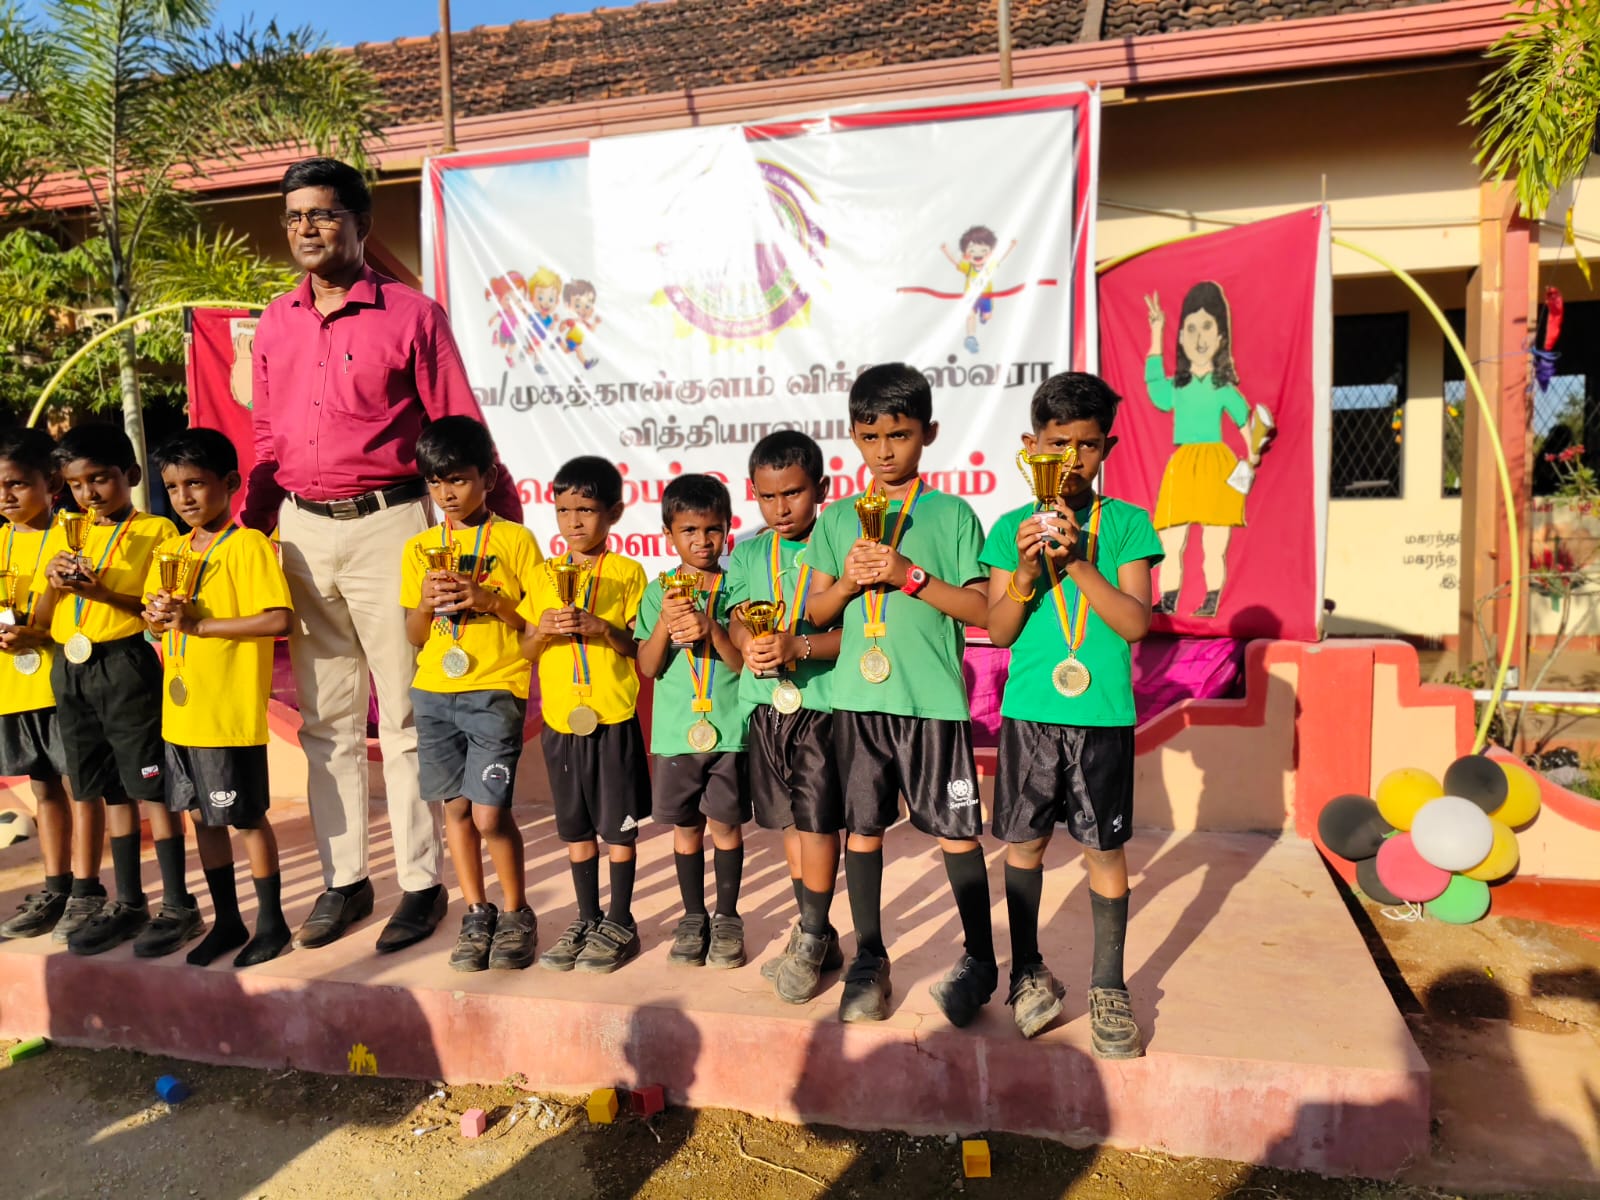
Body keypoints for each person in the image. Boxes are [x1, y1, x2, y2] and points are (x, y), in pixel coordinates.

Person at [242, 156, 523, 955]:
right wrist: (252, 527)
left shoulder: (412, 316)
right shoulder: (276, 321)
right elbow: (265, 437)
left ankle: (420, 883)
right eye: (295, 215)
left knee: (404, 715)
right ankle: (344, 880)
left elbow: (458, 427)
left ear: (361, 224)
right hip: (301, 531)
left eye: (324, 213)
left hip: (391, 526)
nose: (307, 228)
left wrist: (500, 531)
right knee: (326, 721)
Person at [806, 363, 995, 1027]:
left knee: (957, 833)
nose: (884, 451)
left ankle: (980, 958)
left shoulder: (951, 515)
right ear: (853, 436)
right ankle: (869, 958)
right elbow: (816, 612)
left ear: (928, 433)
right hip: (858, 704)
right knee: (862, 830)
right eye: (870, 437)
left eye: (900, 434)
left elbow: (982, 609)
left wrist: (909, 576)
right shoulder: (838, 519)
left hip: (932, 705)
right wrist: (848, 584)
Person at [982, 372, 1163, 1053]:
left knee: (1103, 851)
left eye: (1087, 445)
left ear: (1106, 448)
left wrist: (1082, 563)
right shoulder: (1010, 529)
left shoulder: (1127, 525)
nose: (1073, 459)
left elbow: (1135, 623)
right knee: (1024, 845)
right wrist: (1027, 575)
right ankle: (1026, 972)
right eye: (1058, 444)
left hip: (1102, 717)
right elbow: (999, 630)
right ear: (1031, 447)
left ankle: (1109, 985)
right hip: (1030, 714)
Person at [141, 429, 295, 968]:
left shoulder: (247, 545)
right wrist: (156, 618)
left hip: (227, 715)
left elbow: (278, 620)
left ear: (229, 483)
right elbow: (156, 625)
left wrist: (201, 626)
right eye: (172, 487)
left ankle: (272, 923)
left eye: (195, 484)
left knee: (245, 819)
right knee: (200, 819)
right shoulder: (170, 550)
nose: (184, 497)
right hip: (181, 715)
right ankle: (227, 919)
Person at [31, 426, 184, 956]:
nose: (88, 493)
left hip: (124, 664)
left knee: (150, 786)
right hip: (70, 667)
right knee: (106, 787)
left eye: (99, 479)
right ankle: (129, 901)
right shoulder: (65, 533)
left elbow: (151, 612)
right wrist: (53, 583)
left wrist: (102, 592)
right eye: (76, 484)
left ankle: (178, 904)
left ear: (131, 475)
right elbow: (43, 617)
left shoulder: (158, 531)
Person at [402, 416, 543, 972]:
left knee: (489, 814)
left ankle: (516, 912)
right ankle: (476, 912)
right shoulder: (420, 548)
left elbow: (533, 622)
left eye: (458, 479)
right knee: (455, 809)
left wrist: (488, 601)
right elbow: (416, 635)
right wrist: (424, 603)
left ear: (488, 478)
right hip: (434, 690)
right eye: (435, 482)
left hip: (494, 688)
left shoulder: (515, 539)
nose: (446, 493)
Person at [726, 432, 846, 1002]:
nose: (781, 508)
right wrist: (747, 643)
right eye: (768, 497)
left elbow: (860, 632)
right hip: (766, 707)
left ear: (820, 488)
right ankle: (815, 933)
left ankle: (813, 934)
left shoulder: (838, 545)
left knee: (818, 824)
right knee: (792, 826)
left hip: (820, 706)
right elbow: (735, 620)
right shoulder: (749, 554)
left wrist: (800, 646)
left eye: (793, 493)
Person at [519, 457, 649, 973]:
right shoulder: (542, 576)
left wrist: (602, 628)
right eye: (563, 510)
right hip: (561, 721)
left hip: (611, 717)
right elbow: (526, 650)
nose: (574, 521)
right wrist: (543, 631)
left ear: (613, 513)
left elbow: (639, 647)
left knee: (618, 830)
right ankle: (587, 917)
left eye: (587, 510)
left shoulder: (628, 574)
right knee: (575, 830)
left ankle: (620, 920)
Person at [636, 475, 749, 970]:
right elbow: (648, 666)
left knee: (725, 827)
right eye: (688, 531)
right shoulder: (655, 592)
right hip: (675, 734)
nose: (702, 541)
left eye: (712, 530)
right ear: (668, 534)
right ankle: (693, 916)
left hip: (729, 731)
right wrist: (666, 620)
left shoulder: (736, 588)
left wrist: (713, 629)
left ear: (727, 530)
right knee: (686, 829)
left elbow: (742, 661)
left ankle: (727, 917)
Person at [1141, 282, 1269, 617]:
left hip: (1217, 465)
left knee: (1214, 543)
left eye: (1208, 327)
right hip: (1184, 465)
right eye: (1192, 328)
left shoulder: (1224, 388)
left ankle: (1212, 600)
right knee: (1171, 540)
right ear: (1181, 337)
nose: (1199, 338)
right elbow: (1156, 392)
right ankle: (1168, 599)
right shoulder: (1178, 386)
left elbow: (1246, 426)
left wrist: (1253, 453)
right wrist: (1156, 332)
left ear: (1221, 337)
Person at [0, 428, 75, 939]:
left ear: (51, 483)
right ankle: (57, 887)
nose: (5, 496)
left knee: (83, 790)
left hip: (65, 682)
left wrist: (41, 631)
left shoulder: (75, 533)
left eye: (16, 484)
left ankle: (88, 891)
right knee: (43, 788)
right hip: (15, 686)